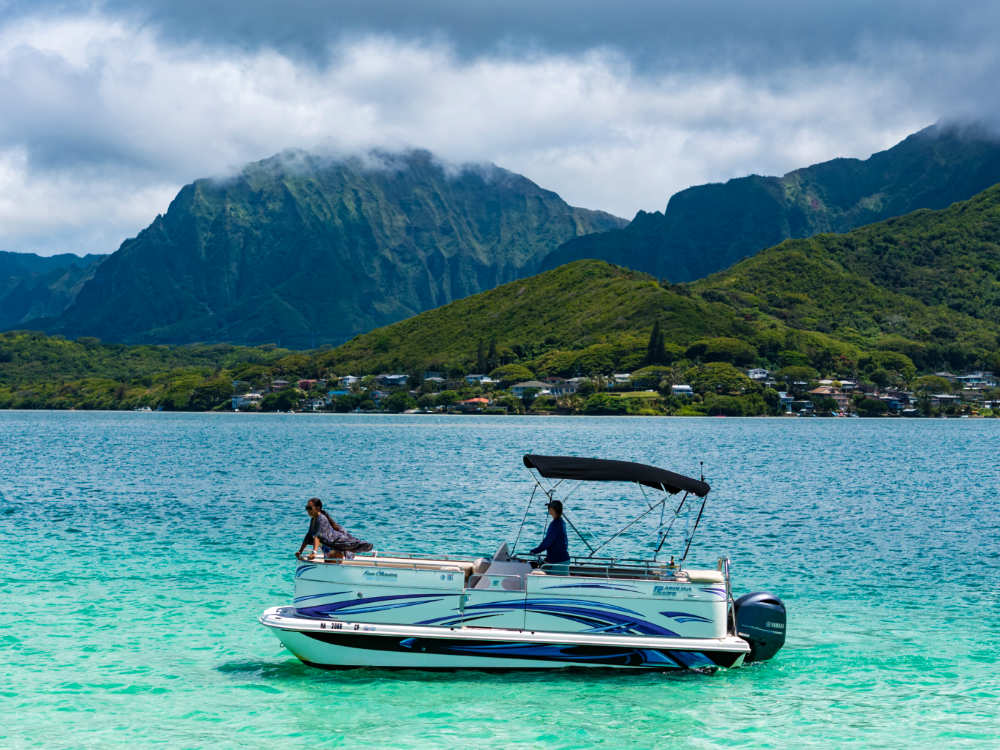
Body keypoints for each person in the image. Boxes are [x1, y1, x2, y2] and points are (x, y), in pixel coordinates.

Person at [297, 497, 373, 560]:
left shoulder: (321, 519)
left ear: (318, 508)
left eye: (309, 508)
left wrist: (314, 553)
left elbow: (317, 536)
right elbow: (308, 536)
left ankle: (349, 553)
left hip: (335, 544)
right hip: (327, 545)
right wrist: (300, 551)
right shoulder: (313, 519)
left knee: (333, 560)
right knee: (329, 562)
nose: (308, 510)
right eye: (306, 508)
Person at [530, 499, 570, 575]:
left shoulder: (555, 525)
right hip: (559, 560)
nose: (548, 509)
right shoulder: (561, 522)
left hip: (558, 562)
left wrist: (535, 551)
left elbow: (547, 542)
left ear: (552, 510)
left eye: (549, 508)